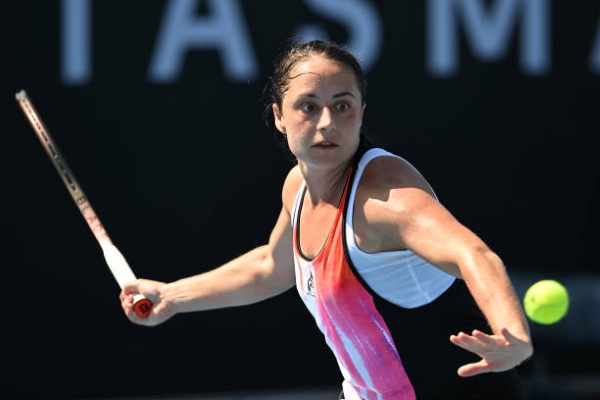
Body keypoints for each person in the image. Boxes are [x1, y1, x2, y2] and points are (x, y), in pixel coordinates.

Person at [120, 39, 533, 399]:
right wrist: (173, 297)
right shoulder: (297, 186)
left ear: (361, 110)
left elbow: (474, 255)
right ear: (279, 116)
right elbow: (271, 267)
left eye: (342, 105)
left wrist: (512, 336)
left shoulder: (383, 197)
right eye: (308, 107)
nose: (327, 123)